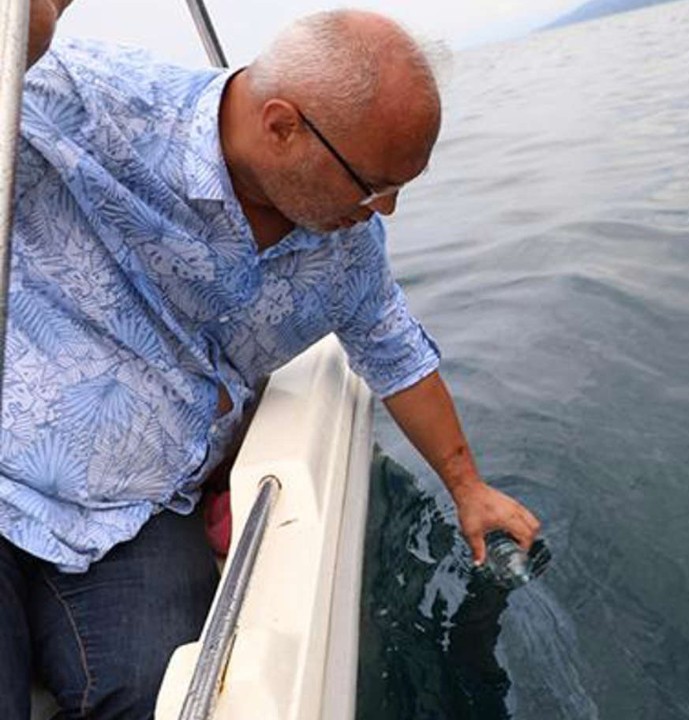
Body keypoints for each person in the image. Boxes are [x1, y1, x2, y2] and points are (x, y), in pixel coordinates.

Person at [1, 3, 542, 717]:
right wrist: (29, 31)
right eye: (373, 184)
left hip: (141, 513)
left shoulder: (346, 247)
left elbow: (396, 350)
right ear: (283, 124)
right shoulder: (93, 99)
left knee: (161, 699)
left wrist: (468, 486)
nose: (386, 211)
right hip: (8, 469)